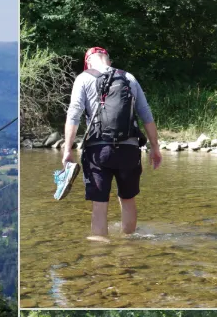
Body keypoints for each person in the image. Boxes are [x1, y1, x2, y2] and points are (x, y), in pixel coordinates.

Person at [62, 46, 163, 240]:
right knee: (128, 199)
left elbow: (73, 115)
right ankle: (130, 247)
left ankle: (100, 258)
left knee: (99, 204)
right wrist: (155, 148)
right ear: (108, 59)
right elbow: (146, 115)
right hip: (129, 150)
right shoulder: (129, 78)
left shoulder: (83, 78)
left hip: (98, 150)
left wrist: (67, 150)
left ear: (88, 62)